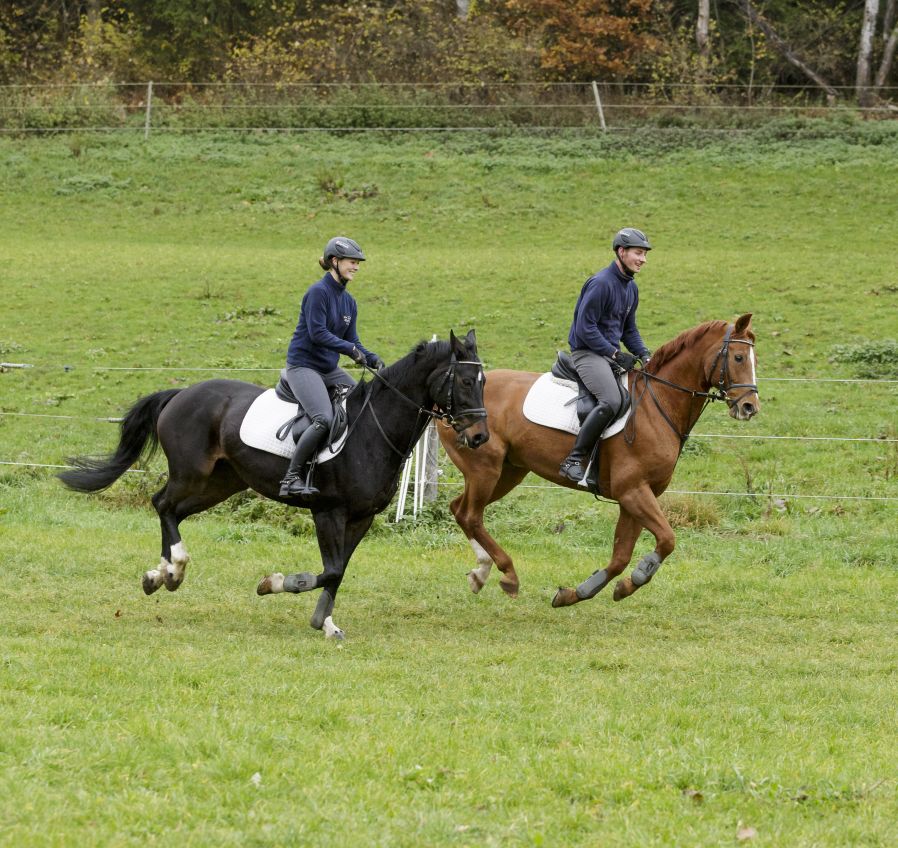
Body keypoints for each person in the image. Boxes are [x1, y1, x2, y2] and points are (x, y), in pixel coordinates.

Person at [278, 236, 384, 498]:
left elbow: (353, 340)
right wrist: (350, 350)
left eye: (358, 263)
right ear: (334, 262)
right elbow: (317, 333)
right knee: (323, 418)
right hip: (304, 367)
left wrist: (371, 357)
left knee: (362, 402)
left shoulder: (349, 302)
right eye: (352, 261)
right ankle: (290, 478)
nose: (356, 267)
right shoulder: (318, 293)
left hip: (329, 369)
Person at [559, 227, 653, 483]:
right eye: (638, 253)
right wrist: (613, 353)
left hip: (607, 355)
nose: (643, 259)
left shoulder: (630, 289)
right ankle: (574, 459)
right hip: (587, 353)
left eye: (645, 254)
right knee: (611, 400)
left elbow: (629, 329)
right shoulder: (601, 284)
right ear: (621, 252)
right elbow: (584, 328)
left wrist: (644, 354)